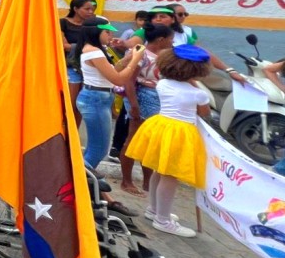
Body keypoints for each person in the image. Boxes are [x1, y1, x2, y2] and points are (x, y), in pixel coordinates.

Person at [125, 46, 211, 238]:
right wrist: (194, 84)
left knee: (160, 170)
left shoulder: (163, 84)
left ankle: (154, 209)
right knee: (170, 176)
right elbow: (205, 113)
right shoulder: (197, 94)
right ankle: (163, 220)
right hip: (181, 132)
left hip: (161, 126)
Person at [71, 19, 144, 170]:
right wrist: (135, 60)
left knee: (95, 147)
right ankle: (83, 182)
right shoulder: (94, 51)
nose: (111, 35)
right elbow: (118, 79)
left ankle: (83, 180)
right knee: (99, 149)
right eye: (107, 32)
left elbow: (112, 71)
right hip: (96, 98)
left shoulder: (92, 49)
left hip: (96, 97)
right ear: (95, 32)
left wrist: (127, 59)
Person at [118, 24, 173, 196]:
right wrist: (134, 105)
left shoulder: (161, 55)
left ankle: (147, 181)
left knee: (150, 142)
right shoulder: (141, 54)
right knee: (133, 138)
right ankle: (126, 181)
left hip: (154, 98)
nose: (172, 42)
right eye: (170, 38)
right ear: (161, 39)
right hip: (141, 96)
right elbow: (129, 81)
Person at [60, 0, 95, 125]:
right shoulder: (63, 23)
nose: (90, 12)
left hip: (87, 67)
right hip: (70, 67)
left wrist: (76, 46)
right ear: (75, 9)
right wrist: (85, 47)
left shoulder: (90, 25)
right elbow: (64, 46)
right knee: (70, 103)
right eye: (87, 9)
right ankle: (65, 131)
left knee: (81, 105)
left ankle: (75, 133)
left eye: (92, 9)